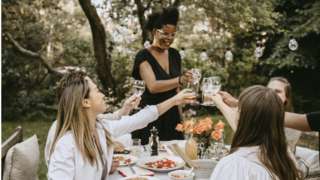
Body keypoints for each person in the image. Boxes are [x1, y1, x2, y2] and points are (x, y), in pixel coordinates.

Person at [45, 71, 195, 180]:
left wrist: (174, 100)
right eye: (97, 91)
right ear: (85, 102)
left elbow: (141, 118)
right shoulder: (66, 144)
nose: (103, 95)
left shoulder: (100, 128)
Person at [210, 85, 302, 180]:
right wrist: (221, 104)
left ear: (242, 119)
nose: (235, 112)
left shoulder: (234, 164)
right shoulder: (286, 159)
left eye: (238, 110)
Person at [131, 7, 192, 144]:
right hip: (150, 116)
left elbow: (177, 90)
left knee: (176, 157)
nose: (169, 38)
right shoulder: (143, 56)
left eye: (172, 34)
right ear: (154, 32)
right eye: (165, 34)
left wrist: (181, 119)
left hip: (172, 116)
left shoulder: (175, 55)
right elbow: (152, 86)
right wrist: (180, 79)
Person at [267, 77, 301, 152]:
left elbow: (278, 153)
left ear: (286, 97)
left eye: (277, 91)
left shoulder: (293, 125)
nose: (271, 93)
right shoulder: (255, 115)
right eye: (269, 90)